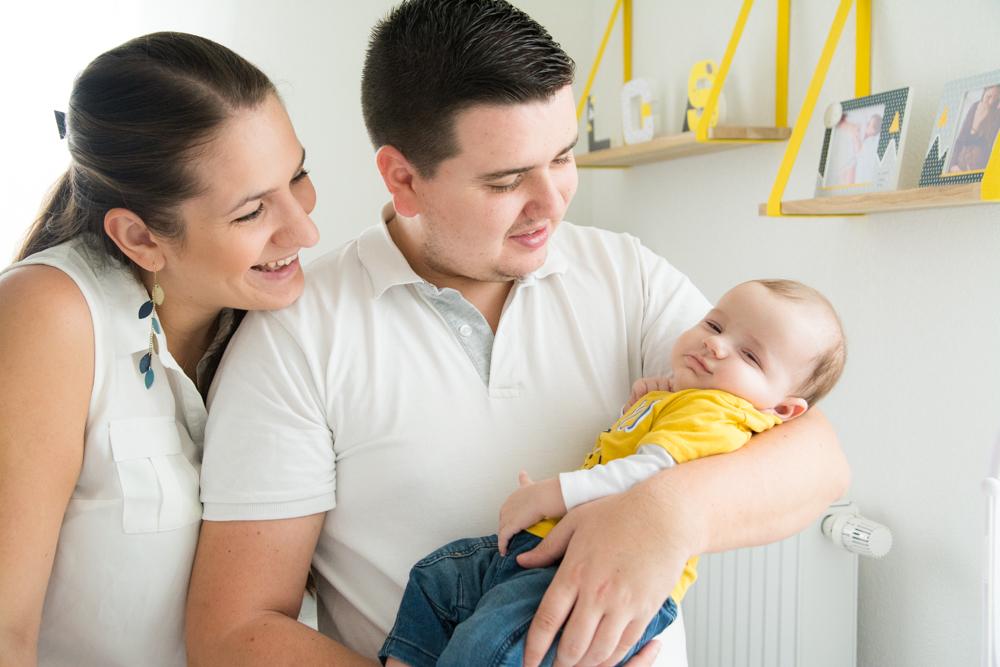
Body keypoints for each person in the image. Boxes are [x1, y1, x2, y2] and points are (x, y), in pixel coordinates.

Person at [186, 2, 849, 666]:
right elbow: (234, 629)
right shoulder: (297, 335)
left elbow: (816, 457)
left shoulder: (625, 273)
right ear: (403, 178)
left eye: (562, 157)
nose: (553, 201)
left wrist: (668, 512)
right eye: (506, 181)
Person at [0, 32, 318, 666]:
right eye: (253, 211)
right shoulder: (52, 315)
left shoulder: (290, 319)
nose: (305, 228)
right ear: (141, 237)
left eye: (299, 175)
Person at [380, 279, 846, 667]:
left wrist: (555, 494)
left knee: (487, 647)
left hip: (588, 574)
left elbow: (650, 471)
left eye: (749, 357)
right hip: (544, 551)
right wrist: (656, 395)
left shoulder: (716, 412)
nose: (716, 344)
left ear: (783, 408)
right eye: (715, 324)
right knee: (437, 578)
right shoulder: (687, 397)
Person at [948, 84, 1000, 173]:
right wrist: (952, 164)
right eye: (989, 96)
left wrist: (981, 120)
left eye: (996, 99)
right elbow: (961, 139)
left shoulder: (997, 115)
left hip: (979, 169)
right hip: (961, 163)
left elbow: (989, 146)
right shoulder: (975, 107)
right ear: (984, 93)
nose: (991, 102)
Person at [853, 113, 882, 185]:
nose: (867, 126)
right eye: (868, 123)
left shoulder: (870, 142)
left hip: (863, 178)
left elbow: (859, 153)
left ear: (874, 130)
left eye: (869, 125)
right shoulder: (868, 141)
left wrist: (856, 137)